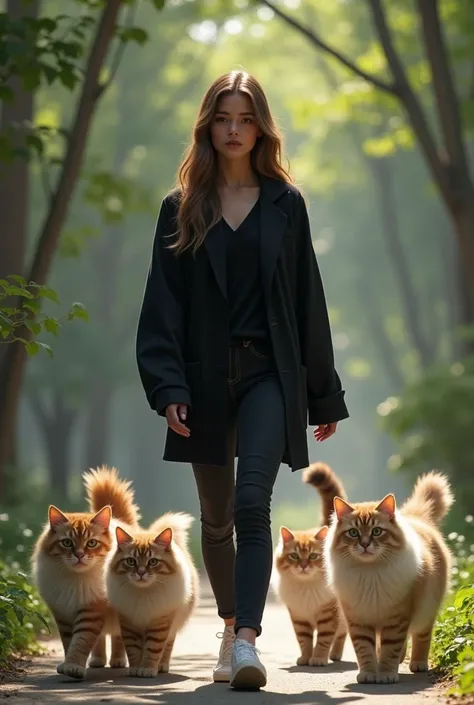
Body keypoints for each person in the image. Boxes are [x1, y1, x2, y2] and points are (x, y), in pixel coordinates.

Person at [136, 70, 349, 690]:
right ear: (208, 126)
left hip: (269, 374)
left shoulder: (288, 203)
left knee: (255, 501)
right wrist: (168, 386)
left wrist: (322, 391)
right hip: (202, 379)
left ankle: (249, 641)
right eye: (224, 118)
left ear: (262, 128)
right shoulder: (180, 207)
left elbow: (310, 297)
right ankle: (230, 626)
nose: (234, 130)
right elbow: (162, 305)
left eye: (246, 119)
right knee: (219, 513)